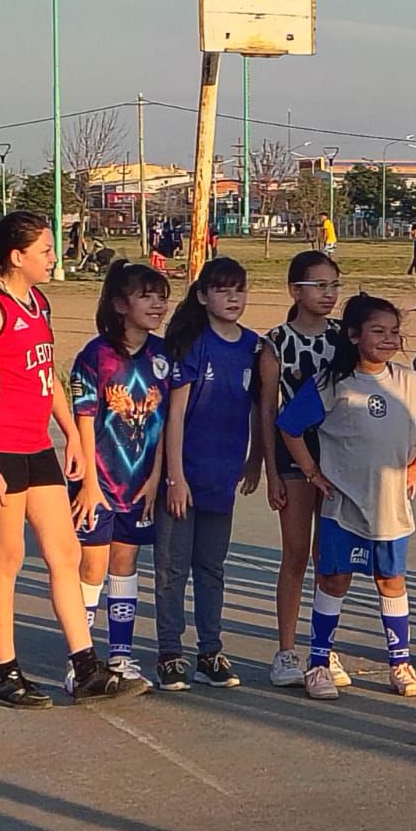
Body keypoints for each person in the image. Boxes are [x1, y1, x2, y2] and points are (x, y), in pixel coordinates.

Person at [0, 210, 146, 708]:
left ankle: (85, 666)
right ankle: (4, 672)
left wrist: (73, 437)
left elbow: (47, 376)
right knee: (9, 558)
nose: (53, 257)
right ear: (17, 257)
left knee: (66, 552)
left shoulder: (37, 301)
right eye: (44, 251)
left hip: (35, 443)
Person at [277, 294, 416, 699]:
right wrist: (311, 472)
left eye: (394, 332)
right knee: (334, 579)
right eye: (378, 331)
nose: (389, 339)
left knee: (391, 580)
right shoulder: (331, 383)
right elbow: (289, 426)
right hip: (344, 505)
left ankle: (400, 663)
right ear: (353, 335)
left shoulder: (410, 382)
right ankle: (319, 663)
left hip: (390, 506)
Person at [154, 257, 264, 691]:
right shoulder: (193, 344)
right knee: (171, 567)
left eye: (239, 289)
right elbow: (175, 415)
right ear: (202, 296)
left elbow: (259, 407)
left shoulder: (254, 347)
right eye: (222, 290)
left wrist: (255, 459)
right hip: (185, 473)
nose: (232, 298)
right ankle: (169, 652)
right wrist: (175, 477)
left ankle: (210, 650)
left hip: (224, 474)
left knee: (211, 567)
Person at [67, 260, 172, 692]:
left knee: (125, 566)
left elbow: (165, 421)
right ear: (118, 303)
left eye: (162, 296)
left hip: (140, 484)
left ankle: (122, 656)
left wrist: (156, 477)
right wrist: (89, 482)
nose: (158, 304)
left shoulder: (163, 356)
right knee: (92, 566)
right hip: (100, 481)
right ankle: (82, 661)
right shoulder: (96, 356)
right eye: (146, 296)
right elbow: (84, 422)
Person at [258, 251, 348, 689]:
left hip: (336, 458)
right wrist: (269, 469)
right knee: (295, 552)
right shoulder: (276, 343)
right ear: (295, 291)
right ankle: (287, 650)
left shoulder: (343, 339)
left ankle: (323, 650)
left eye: (334, 285)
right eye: (319, 286)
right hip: (293, 456)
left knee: (327, 556)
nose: (329, 294)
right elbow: (266, 407)